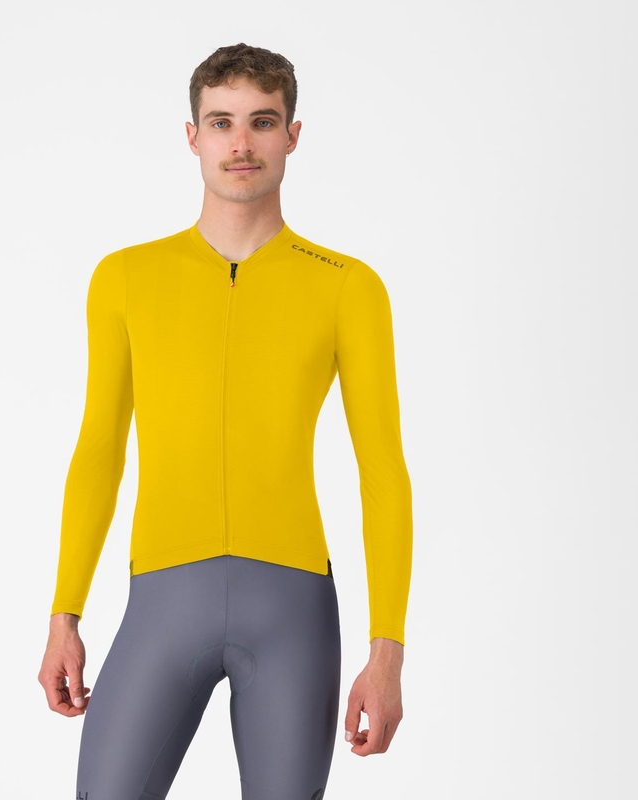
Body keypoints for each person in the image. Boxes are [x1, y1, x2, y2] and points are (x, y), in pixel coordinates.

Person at [38, 42, 413, 800]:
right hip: (161, 601)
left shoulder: (349, 288)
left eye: (262, 122)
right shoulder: (125, 279)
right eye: (222, 122)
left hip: (293, 610)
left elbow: (382, 472)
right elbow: (100, 449)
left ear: (292, 136)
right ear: (193, 136)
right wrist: (63, 613)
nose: (241, 143)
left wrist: (387, 654)